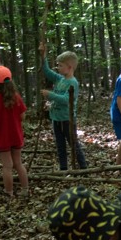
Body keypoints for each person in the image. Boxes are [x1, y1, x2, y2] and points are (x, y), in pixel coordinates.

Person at [39, 43, 88, 171]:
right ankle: (63, 169)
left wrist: (50, 95)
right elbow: (47, 71)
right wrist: (43, 55)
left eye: (60, 65)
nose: (58, 68)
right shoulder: (60, 79)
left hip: (67, 120)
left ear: (70, 67)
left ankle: (83, 168)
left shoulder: (73, 83)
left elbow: (66, 100)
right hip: (56, 119)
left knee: (73, 144)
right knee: (60, 146)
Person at [0, 66, 28, 197]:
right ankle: (25, 189)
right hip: (16, 136)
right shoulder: (16, 97)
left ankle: (9, 191)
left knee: (7, 166)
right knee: (18, 163)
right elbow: (22, 116)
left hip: (2, 138)